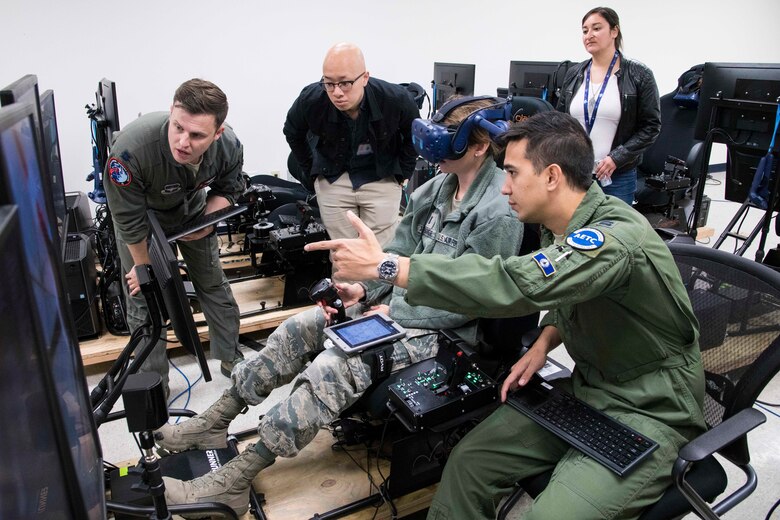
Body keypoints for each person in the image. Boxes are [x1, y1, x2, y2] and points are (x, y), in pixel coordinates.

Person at [308, 111, 706, 519]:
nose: (505, 188)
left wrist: (388, 267)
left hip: (652, 411)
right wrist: (547, 339)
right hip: (590, 389)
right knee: (467, 464)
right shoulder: (561, 225)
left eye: (513, 174)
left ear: (552, 176)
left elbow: (516, 283)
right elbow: (576, 292)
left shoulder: (612, 237)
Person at [155, 97, 524, 516]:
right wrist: (363, 293)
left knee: (333, 365)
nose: (433, 154)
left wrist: (396, 313)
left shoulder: (498, 211)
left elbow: (475, 300)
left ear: (477, 147)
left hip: (445, 330)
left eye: (445, 143)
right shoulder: (437, 188)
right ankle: (216, 420)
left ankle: (235, 480)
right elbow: (398, 253)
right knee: (301, 327)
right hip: (400, 308)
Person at [104, 79, 245, 389]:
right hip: (140, 218)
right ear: (171, 113)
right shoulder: (130, 150)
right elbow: (127, 218)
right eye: (178, 128)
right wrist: (144, 266)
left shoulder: (228, 146)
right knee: (145, 294)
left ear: (217, 133)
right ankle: (154, 381)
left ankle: (232, 358)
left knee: (212, 282)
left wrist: (208, 221)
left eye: (197, 136)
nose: (183, 142)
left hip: (192, 211)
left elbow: (229, 188)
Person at [283, 42, 420, 246]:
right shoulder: (311, 99)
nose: (337, 92)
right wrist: (311, 172)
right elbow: (292, 132)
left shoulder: (395, 99)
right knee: (342, 254)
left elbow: (414, 134)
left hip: (380, 177)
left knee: (379, 255)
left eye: (345, 83)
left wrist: (404, 173)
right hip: (333, 178)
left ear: (364, 77)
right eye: (329, 83)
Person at [557, 6, 661, 205]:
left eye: (597, 28)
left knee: (612, 232)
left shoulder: (639, 75)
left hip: (616, 174)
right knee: (575, 230)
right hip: (576, 171)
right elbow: (560, 120)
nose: (589, 35)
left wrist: (617, 157)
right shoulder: (574, 74)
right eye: (585, 30)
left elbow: (651, 127)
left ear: (614, 31)